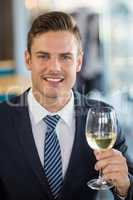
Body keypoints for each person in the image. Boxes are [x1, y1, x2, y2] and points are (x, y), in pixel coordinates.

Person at [0, 11, 133, 200]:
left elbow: (129, 183)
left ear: (78, 61)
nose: (54, 67)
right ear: (28, 59)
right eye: (43, 56)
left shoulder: (103, 117)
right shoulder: (2, 121)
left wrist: (124, 187)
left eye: (65, 57)